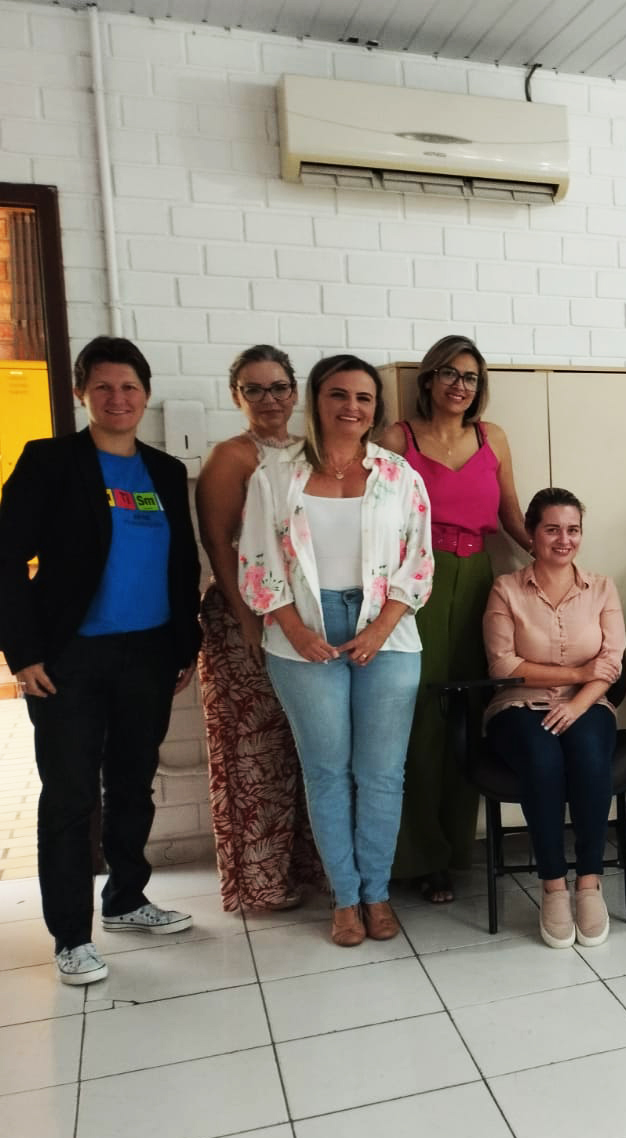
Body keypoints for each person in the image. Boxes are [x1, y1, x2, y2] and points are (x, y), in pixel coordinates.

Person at [0, 337, 202, 986]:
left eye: (130, 387)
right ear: (83, 393)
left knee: (133, 784)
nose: (119, 399)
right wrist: (23, 653)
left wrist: (183, 646)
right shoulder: (52, 462)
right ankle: (70, 934)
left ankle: (126, 898)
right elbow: (7, 559)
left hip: (146, 654)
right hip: (70, 658)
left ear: (146, 394)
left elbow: (180, 565)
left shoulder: (165, 472)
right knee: (69, 795)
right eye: (105, 387)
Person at [239, 354, 433, 948]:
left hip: (389, 633)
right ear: (315, 401)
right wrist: (294, 628)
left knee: (382, 775)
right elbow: (256, 563)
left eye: (364, 398)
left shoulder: (400, 475)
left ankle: (377, 893)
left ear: (376, 409)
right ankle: (344, 899)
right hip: (302, 632)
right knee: (327, 772)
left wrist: (378, 629)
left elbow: (418, 564)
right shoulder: (274, 476)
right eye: (339, 395)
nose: (352, 407)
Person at [379, 335, 533, 905]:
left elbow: (510, 514)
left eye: (469, 377)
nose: (458, 385)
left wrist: (550, 553)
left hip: (477, 581)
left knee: (471, 710)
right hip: (417, 580)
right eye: (447, 373)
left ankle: (455, 848)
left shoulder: (493, 438)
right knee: (419, 715)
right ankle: (420, 856)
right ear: (427, 379)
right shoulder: (398, 438)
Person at [195, 345, 321, 913]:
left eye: (279, 387)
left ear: (295, 392)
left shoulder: (313, 450)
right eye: (255, 389)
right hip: (247, 621)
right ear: (236, 396)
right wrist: (248, 619)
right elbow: (218, 543)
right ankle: (262, 883)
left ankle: (311, 868)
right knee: (257, 752)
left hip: (308, 618)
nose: (269, 399)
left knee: (309, 747)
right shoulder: (231, 456)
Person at [484, 488, 623, 949]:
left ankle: (588, 881)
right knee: (543, 761)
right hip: (519, 705)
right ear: (530, 534)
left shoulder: (602, 588)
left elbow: (612, 662)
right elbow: (502, 665)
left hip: (588, 702)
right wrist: (577, 672)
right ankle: (552, 886)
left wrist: (579, 700)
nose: (564, 540)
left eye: (573, 530)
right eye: (552, 529)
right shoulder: (506, 588)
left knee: (587, 754)